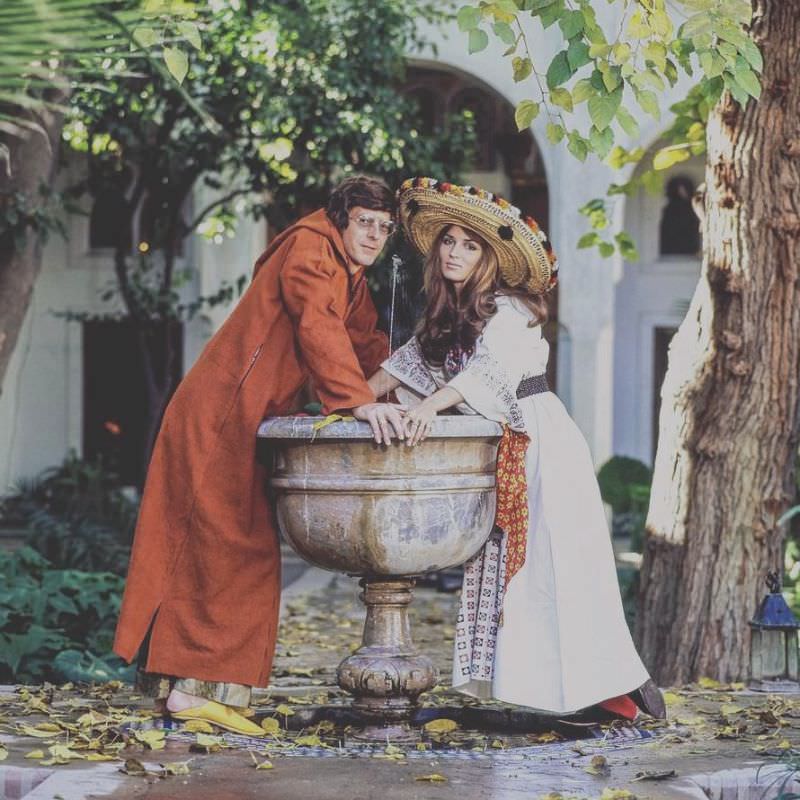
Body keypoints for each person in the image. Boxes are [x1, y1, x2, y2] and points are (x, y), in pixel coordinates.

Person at [113, 176, 406, 735]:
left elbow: (364, 340)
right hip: (219, 415)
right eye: (365, 222)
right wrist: (358, 404)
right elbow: (317, 323)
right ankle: (188, 693)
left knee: (235, 548)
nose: (374, 234)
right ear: (341, 218)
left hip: (248, 420)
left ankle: (199, 690)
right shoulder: (310, 248)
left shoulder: (351, 273)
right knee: (224, 547)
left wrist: (407, 392)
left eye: (384, 227)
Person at [367, 176, 665, 720]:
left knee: (555, 567)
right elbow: (401, 368)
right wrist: (347, 403)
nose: (455, 251)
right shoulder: (445, 314)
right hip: (502, 450)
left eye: (470, 244)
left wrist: (428, 409)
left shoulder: (509, 309)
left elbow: (489, 371)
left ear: (489, 258)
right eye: (449, 241)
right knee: (513, 576)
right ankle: (552, 691)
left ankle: (615, 684)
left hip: (540, 443)